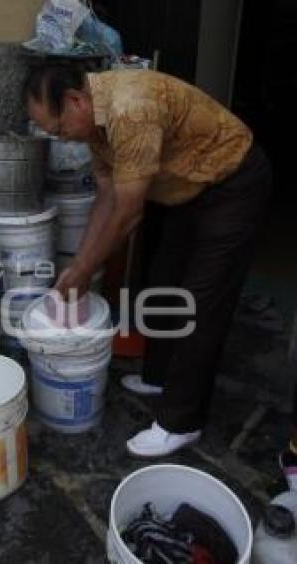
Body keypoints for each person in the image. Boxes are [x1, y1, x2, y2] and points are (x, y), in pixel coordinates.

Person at [24, 64, 272, 458]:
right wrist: (77, 266)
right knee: (162, 282)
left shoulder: (129, 109)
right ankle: (158, 377)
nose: (61, 138)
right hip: (188, 190)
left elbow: (127, 214)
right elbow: (105, 196)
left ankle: (181, 422)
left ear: (75, 101)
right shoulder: (93, 123)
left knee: (200, 303)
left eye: (58, 129)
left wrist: (85, 271)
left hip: (232, 183)